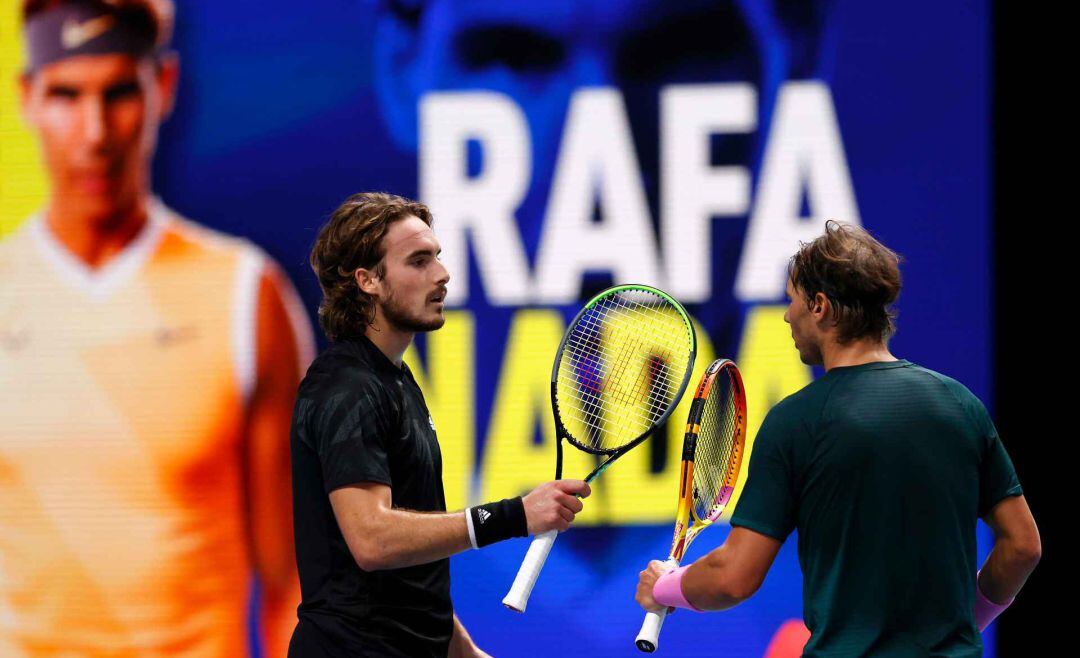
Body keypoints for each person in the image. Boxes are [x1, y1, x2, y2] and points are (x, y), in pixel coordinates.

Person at [0, 2, 313, 656]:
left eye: (118, 93)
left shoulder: (245, 298)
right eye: (66, 95)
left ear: (162, 88)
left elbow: (297, 590)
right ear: (27, 98)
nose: (93, 132)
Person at [635, 221, 1041, 656]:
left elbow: (733, 578)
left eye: (792, 300)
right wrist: (967, 624)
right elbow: (1022, 547)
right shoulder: (961, 405)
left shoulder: (795, 422)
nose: (787, 315)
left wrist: (666, 588)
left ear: (820, 306)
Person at [288, 192, 590, 658]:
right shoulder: (346, 387)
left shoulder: (397, 381)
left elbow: (408, 564)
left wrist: (465, 652)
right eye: (419, 261)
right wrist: (513, 516)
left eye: (438, 258)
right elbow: (372, 539)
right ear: (367, 280)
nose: (442, 274)